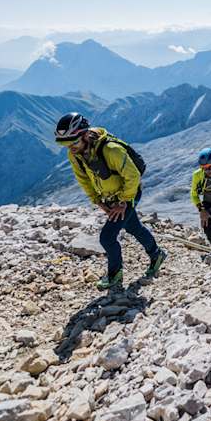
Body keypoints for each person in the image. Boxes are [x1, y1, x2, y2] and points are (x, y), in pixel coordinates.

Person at [55, 112, 167, 290]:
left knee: (107, 237)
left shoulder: (111, 149)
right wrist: (97, 200)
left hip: (128, 193)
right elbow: (83, 178)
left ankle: (114, 275)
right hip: (111, 196)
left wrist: (123, 201)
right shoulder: (75, 154)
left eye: (73, 142)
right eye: (65, 144)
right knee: (133, 227)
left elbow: (133, 176)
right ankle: (157, 254)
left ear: (85, 134)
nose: (70, 148)